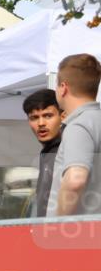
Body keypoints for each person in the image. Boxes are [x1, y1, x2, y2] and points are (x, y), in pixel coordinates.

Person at [48, 53, 101, 216]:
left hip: (80, 236)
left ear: (63, 88)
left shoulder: (79, 125)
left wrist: (57, 226)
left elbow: (75, 180)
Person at [22, 89, 65, 217]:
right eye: (34, 118)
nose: (41, 123)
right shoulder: (47, 152)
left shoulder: (66, 149)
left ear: (63, 116)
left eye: (48, 116)